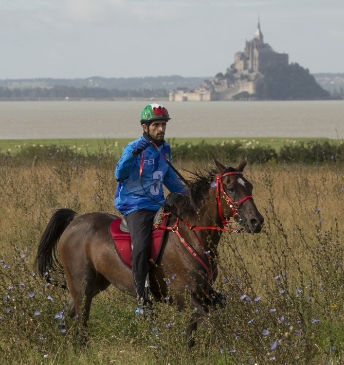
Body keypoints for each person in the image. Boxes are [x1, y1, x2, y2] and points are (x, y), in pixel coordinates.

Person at [114, 103, 187, 312]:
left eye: (163, 125)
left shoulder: (164, 148)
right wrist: (133, 155)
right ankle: (142, 300)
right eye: (156, 125)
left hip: (158, 203)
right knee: (141, 246)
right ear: (145, 127)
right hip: (135, 205)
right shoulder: (133, 148)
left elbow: (169, 178)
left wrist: (189, 194)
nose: (161, 129)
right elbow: (119, 175)